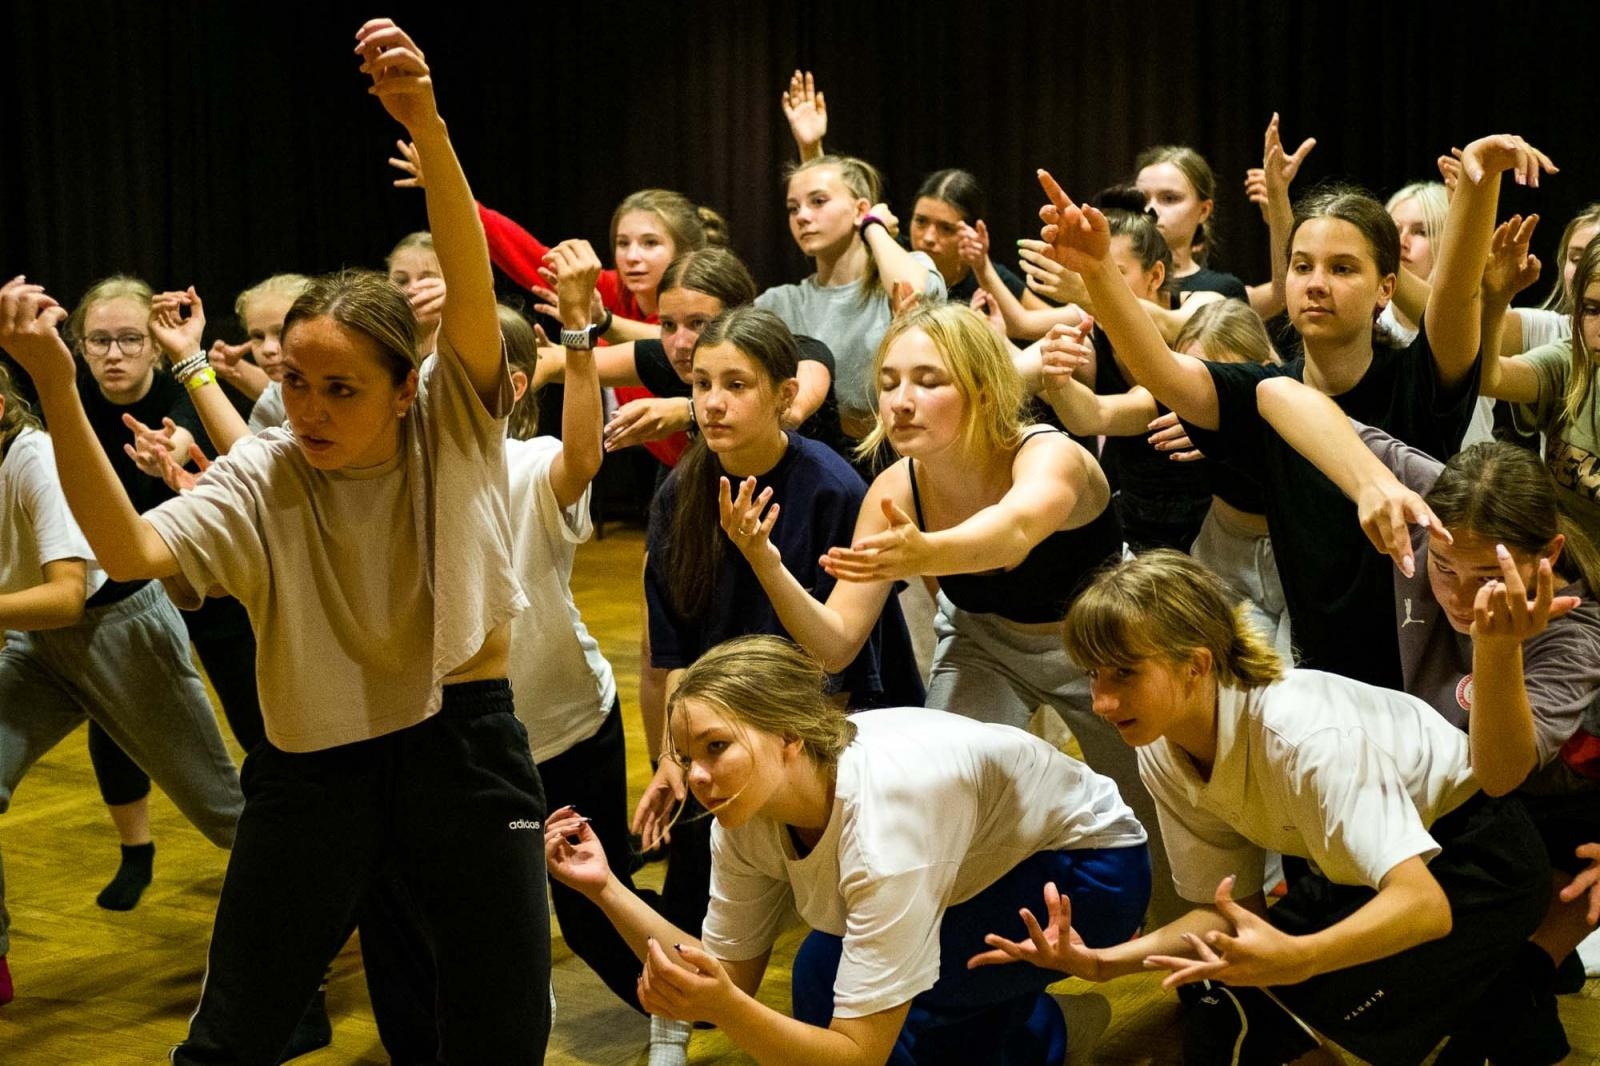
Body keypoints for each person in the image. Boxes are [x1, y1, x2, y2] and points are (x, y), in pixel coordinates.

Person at [0, 20, 550, 1061]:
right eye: (295, 381)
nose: (309, 407)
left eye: (340, 388)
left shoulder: (451, 421)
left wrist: (427, 125)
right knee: (232, 1036)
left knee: (495, 1034)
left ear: (405, 390)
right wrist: (55, 387)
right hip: (314, 775)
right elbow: (128, 553)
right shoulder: (267, 469)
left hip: (464, 751)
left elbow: (472, 284)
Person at [973, 550, 1551, 1064]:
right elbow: (1229, 912)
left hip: (1476, 865)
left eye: (1125, 673)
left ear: (1196, 664)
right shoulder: (1163, 742)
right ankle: (1512, 1004)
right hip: (1363, 872)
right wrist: (1106, 962)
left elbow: (1424, 906)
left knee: (1311, 1002)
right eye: (1093, 674)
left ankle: (1511, 990)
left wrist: (1301, 957)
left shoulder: (1303, 736)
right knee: (1234, 999)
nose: (1101, 701)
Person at [1030, 133, 1557, 689]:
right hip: (1323, 673)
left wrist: (1479, 182)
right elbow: (1160, 368)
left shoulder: (1420, 378)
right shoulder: (1264, 391)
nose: (1317, 284)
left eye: (1343, 269)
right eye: (1303, 267)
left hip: (1424, 673)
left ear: (1386, 288)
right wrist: (1099, 272)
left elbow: (1455, 297)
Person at [547, 634, 1150, 1066]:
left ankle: (1040, 1032)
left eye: (716, 747)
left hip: (1089, 870)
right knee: (824, 972)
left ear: (788, 735)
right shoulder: (743, 810)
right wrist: (606, 886)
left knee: (856, 998)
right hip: (981, 864)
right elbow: (724, 975)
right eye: (685, 757)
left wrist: (727, 1008)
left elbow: (857, 1052)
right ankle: (1035, 1030)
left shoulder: (885, 825)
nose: (697, 776)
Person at [1258, 378, 1600, 1061]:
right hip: (1469, 788)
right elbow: (1274, 394)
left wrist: (1497, 650)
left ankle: (1527, 968)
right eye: (1444, 569)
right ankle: (1517, 980)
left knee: (1503, 867)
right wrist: (1370, 483)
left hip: (1562, 801)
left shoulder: (1576, 630)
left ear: (1548, 556)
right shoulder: (1443, 503)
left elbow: (1499, 775)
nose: (1462, 597)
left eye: (1487, 577)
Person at [0, 360, 242, 1010]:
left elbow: (65, 598)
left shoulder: (34, 458)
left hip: (119, 631)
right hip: (37, 644)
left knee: (225, 813)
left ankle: (357, 897)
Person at [1042, 298, 1291, 651]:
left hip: (1290, 554)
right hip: (1221, 551)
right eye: (1196, 378)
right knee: (1221, 666)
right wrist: (1059, 382)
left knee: (1293, 673)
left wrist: (1227, 435)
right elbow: (1093, 415)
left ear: (1261, 370)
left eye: (1224, 379)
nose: (1205, 395)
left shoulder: (1292, 393)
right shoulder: (1180, 398)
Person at [756, 153, 946, 442]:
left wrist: (873, 226)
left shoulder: (905, 269)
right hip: (817, 452)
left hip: (898, 446)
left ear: (860, 209)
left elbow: (918, 294)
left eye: (818, 201)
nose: (802, 216)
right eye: (793, 208)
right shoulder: (781, 302)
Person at [1480, 221, 1600, 540]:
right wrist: (1494, 301)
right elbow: (1489, 378)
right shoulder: (1569, 363)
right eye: (1592, 310)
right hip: (1566, 558)